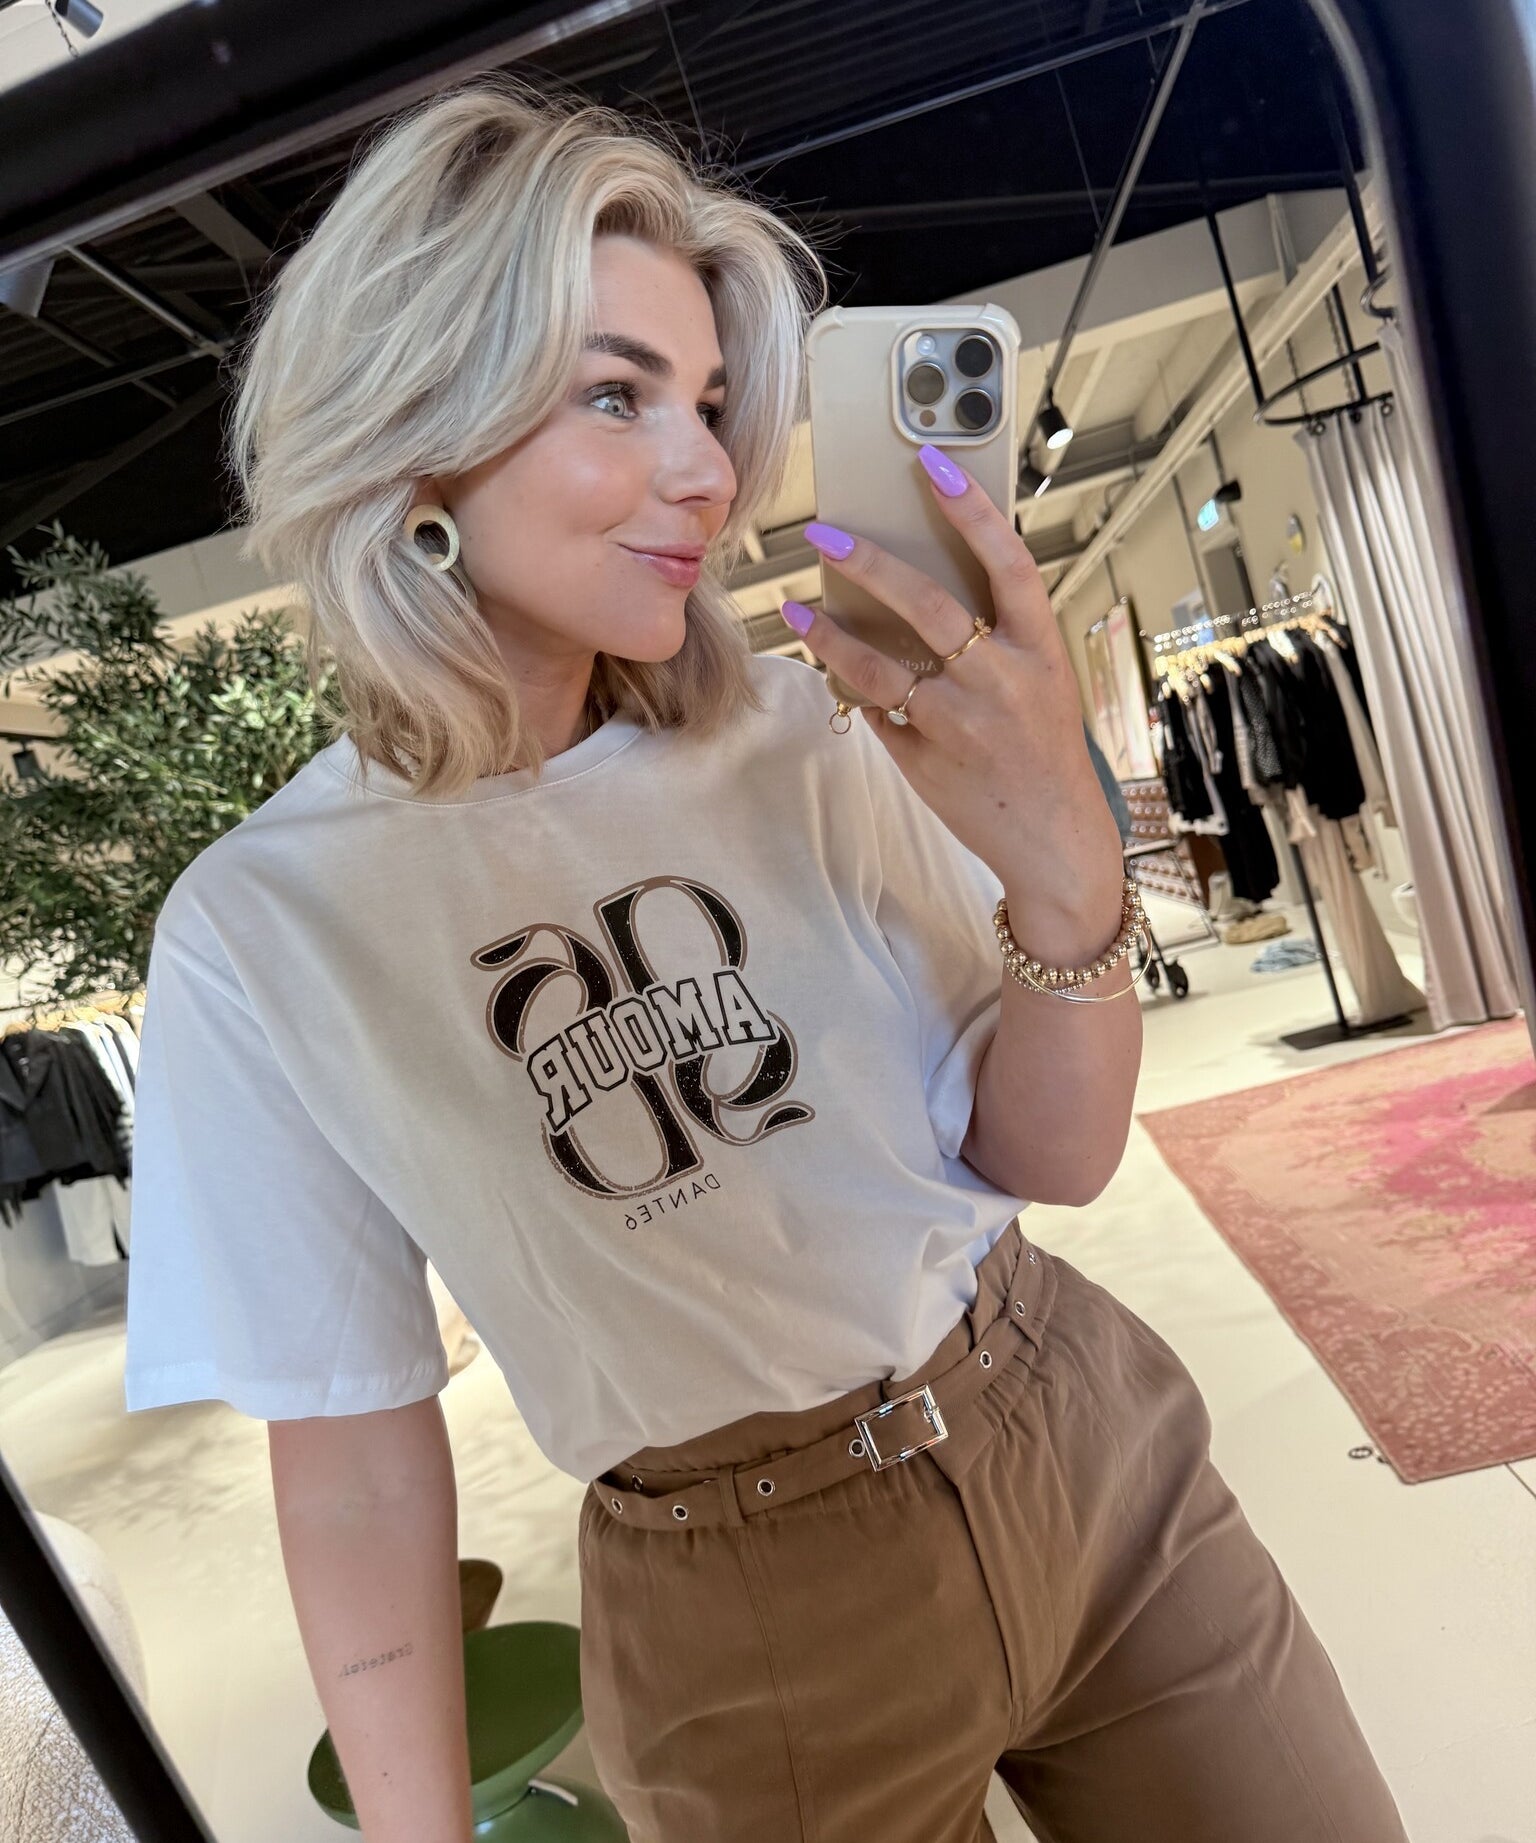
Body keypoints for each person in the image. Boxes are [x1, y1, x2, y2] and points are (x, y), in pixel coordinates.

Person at [122, 76, 1410, 1843]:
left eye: (712, 403)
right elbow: (350, 1455)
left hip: (1079, 1445)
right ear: (413, 435)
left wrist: (1064, 877)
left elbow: (1054, 1159)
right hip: (750, 1619)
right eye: (616, 394)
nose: (710, 470)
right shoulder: (264, 929)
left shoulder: (802, 740)